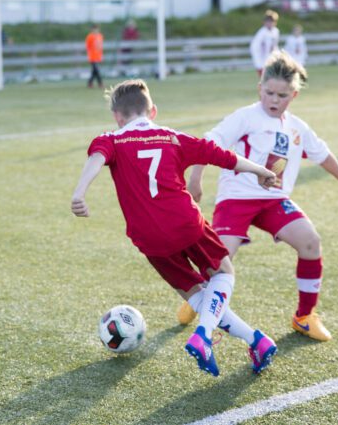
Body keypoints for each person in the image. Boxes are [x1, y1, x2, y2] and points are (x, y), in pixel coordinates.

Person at [71, 79, 280, 376]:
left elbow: (97, 158)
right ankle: (204, 335)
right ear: (152, 111)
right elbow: (221, 156)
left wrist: (79, 193)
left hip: (148, 238)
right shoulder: (173, 137)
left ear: (117, 116)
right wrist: (260, 170)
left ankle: (256, 341)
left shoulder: (112, 139)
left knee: (196, 294)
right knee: (223, 273)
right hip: (185, 223)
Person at [181, 51, 338, 342]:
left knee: (310, 242)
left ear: (294, 95)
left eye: (282, 95)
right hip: (236, 200)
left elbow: (322, 154)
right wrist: (196, 178)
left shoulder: (297, 128)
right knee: (219, 262)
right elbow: (208, 143)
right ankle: (197, 299)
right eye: (269, 93)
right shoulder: (245, 117)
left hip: (274, 200)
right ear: (259, 89)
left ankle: (304, 317)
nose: (274, 100)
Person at [249, 10, 280, 77]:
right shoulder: (262, 32)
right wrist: (259, 59)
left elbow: (275, 45)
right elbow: (255, 46)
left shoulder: (276, 31)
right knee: (265, 79)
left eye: (272, 21)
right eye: (268, 21)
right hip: (262, 58)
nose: (270, 23)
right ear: (264, 22)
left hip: (271, 58)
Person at [85, 24, 104, 88]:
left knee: (94, 71)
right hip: (93, 57)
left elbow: (100, 47)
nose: (95, 30)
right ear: (92, 30)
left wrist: (101, 56)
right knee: (97, 71)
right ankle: (100, 83)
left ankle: (89, 83)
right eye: (94, 29)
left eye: (97, 29)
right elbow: (88, 47)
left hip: (98, 57)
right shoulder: (90, 37)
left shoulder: (100, 36)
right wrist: (90, 56)